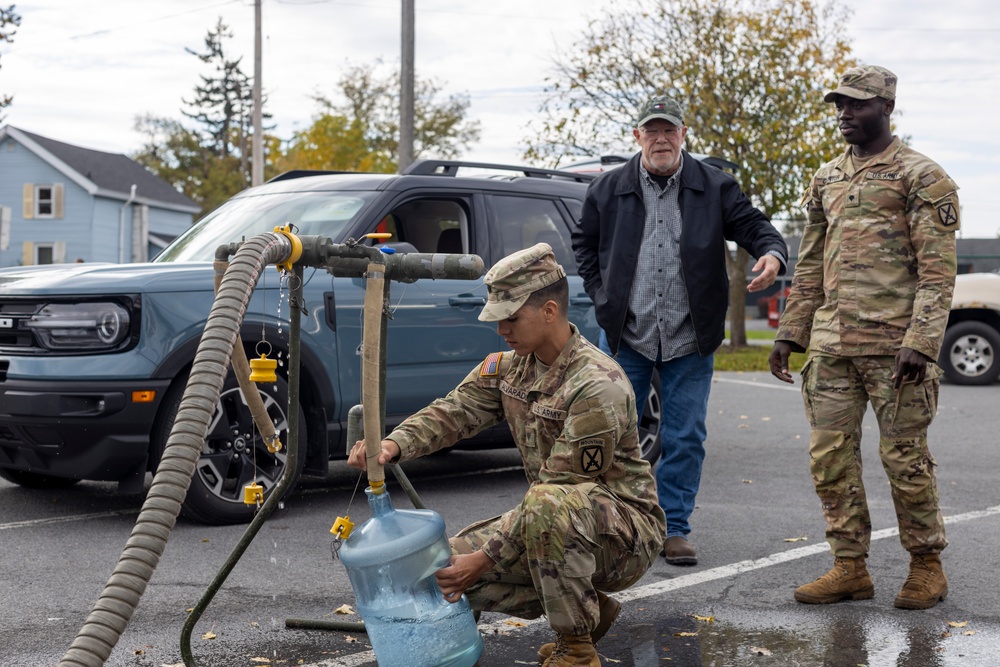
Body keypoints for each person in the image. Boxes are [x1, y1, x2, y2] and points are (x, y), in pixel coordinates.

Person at [348, 243, 666, 667]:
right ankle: (590, 608)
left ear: (550, 311)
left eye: (511, 318)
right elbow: (453, 411)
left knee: (538, 511)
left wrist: (483, 561)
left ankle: (576, 649)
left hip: (624, 535)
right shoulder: (509, 367)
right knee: (441, 568)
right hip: (552, 520)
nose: (502, 331)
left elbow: (560, 488)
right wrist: (392, 444)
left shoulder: (597, 386)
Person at [769, 65, 959, 610]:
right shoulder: (827, 177)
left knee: (905, 459)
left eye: (857, 105)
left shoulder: (921, 176)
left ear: (886, 107)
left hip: (896, 347)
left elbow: (937, 272)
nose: (845, 114)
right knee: (830, 459)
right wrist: (790, 333)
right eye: (840, 105)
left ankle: (926, 566)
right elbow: (808, 267)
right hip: (831, 346)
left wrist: (921, 342)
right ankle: (850, 567)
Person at [572, 95, 787, 566]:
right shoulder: (609, 189)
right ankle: (616, 526)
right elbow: (584, 245)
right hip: (627, 334)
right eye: (652, 130)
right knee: (612, 434)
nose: (661, 138)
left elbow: (754, 226)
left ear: (683, 134)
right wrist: (602, 295)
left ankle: (674, 528)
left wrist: (771, 252)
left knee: (685, 435)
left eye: (669, 130)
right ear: (637, 137)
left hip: (691, 337)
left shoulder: (714, 186)